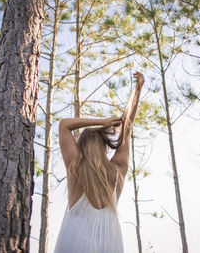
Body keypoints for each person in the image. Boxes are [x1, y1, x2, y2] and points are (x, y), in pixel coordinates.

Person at [53, 71, 145, 253]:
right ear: (105, 147)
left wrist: (101, 121)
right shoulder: (117, 171)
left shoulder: (76, 167)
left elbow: (64, 124)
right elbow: (126, 129)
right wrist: (137, 90)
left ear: (81, 147)